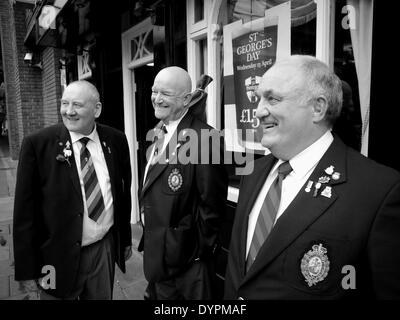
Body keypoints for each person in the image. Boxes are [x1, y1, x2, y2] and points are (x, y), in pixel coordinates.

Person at [224, 55, 400, 299]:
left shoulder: (378, 190)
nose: (258, 111)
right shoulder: (253, 172)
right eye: (259, 99)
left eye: (272, 99)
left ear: (318, 108)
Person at [13, 80, 133, 299]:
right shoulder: (37, 145)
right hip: (54, 257)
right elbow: (24, 213)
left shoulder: (116, 139)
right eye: (64, 103)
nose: (69, 111)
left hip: (102, 250)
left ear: (97, 109)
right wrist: (27, 270)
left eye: (77, 105)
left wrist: (124, 239)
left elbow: (122, 194)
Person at [138, 66, 228, 300]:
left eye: (165, 93)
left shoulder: (205, 139)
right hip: (158, 259)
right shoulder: (157, 132)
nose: (156, 99)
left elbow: (212, 206)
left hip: (187, 268)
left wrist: (195, 253)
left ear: (186, 99)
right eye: (154, 91)